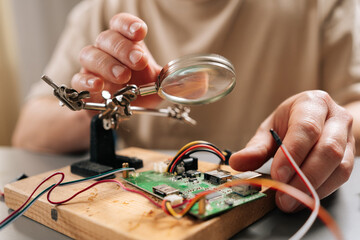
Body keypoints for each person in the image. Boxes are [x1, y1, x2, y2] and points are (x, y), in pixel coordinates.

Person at [12, 0, 359, 213]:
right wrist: (99, 102)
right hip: (148, 207)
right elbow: (30, 132)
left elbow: (354, 108)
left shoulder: (322, 5)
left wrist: (329, 121)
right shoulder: (101, 9)